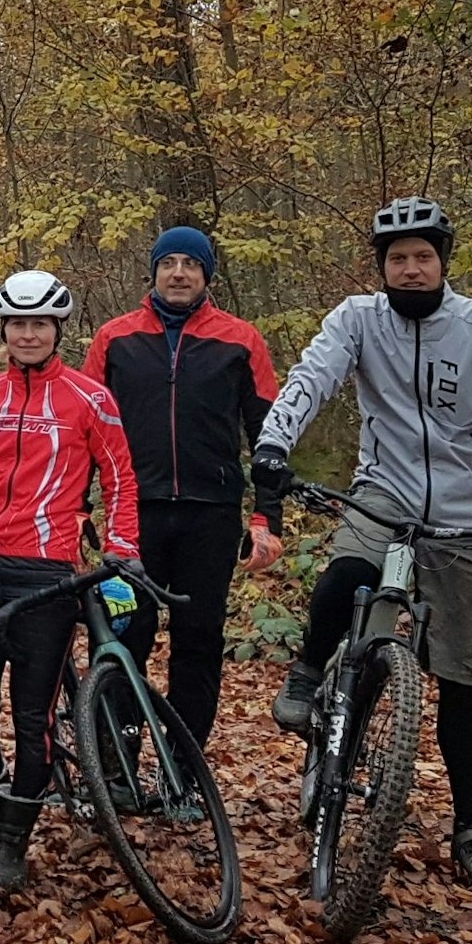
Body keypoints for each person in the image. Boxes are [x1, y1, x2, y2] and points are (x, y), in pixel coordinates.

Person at [253, 197, 472, 885]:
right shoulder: (358, 319)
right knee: (345, 571)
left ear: (443, 261)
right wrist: (274, 444)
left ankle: (469, 825)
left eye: (423, 256)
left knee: (458, 676)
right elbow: (311, 379)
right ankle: (309, 673)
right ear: (382, 266)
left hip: (465, 511)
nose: (412, 269)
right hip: (384, 487)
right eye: (399, 258)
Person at [0, 271, 141, 893]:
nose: (28, 335)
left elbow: (122, 481)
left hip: (46, 571)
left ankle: (12, 845)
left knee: (32, 718)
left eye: (39, 325)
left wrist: (121, 550)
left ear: (58, 330)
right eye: (17, 325)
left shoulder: (90, 398)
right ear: (3, 331)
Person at [82, 226, 283, 747]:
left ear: (206, 274)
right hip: (133, 513)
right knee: (129, 631)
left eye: (190, 264)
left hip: (211, 514)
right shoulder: (114, 338)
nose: (178, 273)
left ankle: (186, 764)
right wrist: (77, 507)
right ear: (152, 272)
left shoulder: (241, 339)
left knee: (198, 640)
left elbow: (271, 435)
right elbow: (81, 427)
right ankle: (116, 755)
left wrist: (267, 517)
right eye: (167, 262)